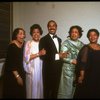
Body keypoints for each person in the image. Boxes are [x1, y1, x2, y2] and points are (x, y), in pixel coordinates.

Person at [39, 20, 67, 99]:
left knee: (56, 90)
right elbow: (42, 56)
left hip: (58, 69)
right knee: (47, 91)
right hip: (48, 70)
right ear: (47, 28)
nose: (52, 27)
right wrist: (59, 56)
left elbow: (60, 53)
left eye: (53, 25)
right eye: (50, 26)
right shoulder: (43, 40)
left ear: (56, 27)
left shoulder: (59, 39)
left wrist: (63, 55)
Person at [57, 25, 84, 99]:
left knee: (74, 91)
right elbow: (62, 57)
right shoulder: (66, 43)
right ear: (70, 33)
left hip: (77, 71)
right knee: (66, 91)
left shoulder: (81, 44)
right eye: (72, 32)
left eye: (76, 32)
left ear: (79, 34)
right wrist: (72, 60)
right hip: (67, 70)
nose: (74, 34)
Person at [74, 29, 100, 98]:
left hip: (98, 76)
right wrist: (82, 76)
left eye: (94, 35)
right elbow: (83, 63)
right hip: (88, 77)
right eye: (90, 35)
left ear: (98, 36)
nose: (92, 37)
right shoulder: (86, 48)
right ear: (88, 37)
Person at [23, 24, 46, 99]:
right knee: (31, 90)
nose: (36, 34)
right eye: (34, 32)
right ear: (31, 34)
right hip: (32, 70)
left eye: (38, 32)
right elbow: (26, 58)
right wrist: (39, 54)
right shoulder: (28, 43)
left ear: (40, 33)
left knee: (40, 88)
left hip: (41, 69)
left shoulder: (43, 43)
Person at [2, 28, 26, 98]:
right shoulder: (12, 46)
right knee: (13, 93)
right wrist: (17, 77)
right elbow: (12, 64)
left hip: (20, 71)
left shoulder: (23, 44)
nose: (22, 36)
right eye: (20, 34)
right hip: (13, 74)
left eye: (23, 34)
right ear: (16, 35)